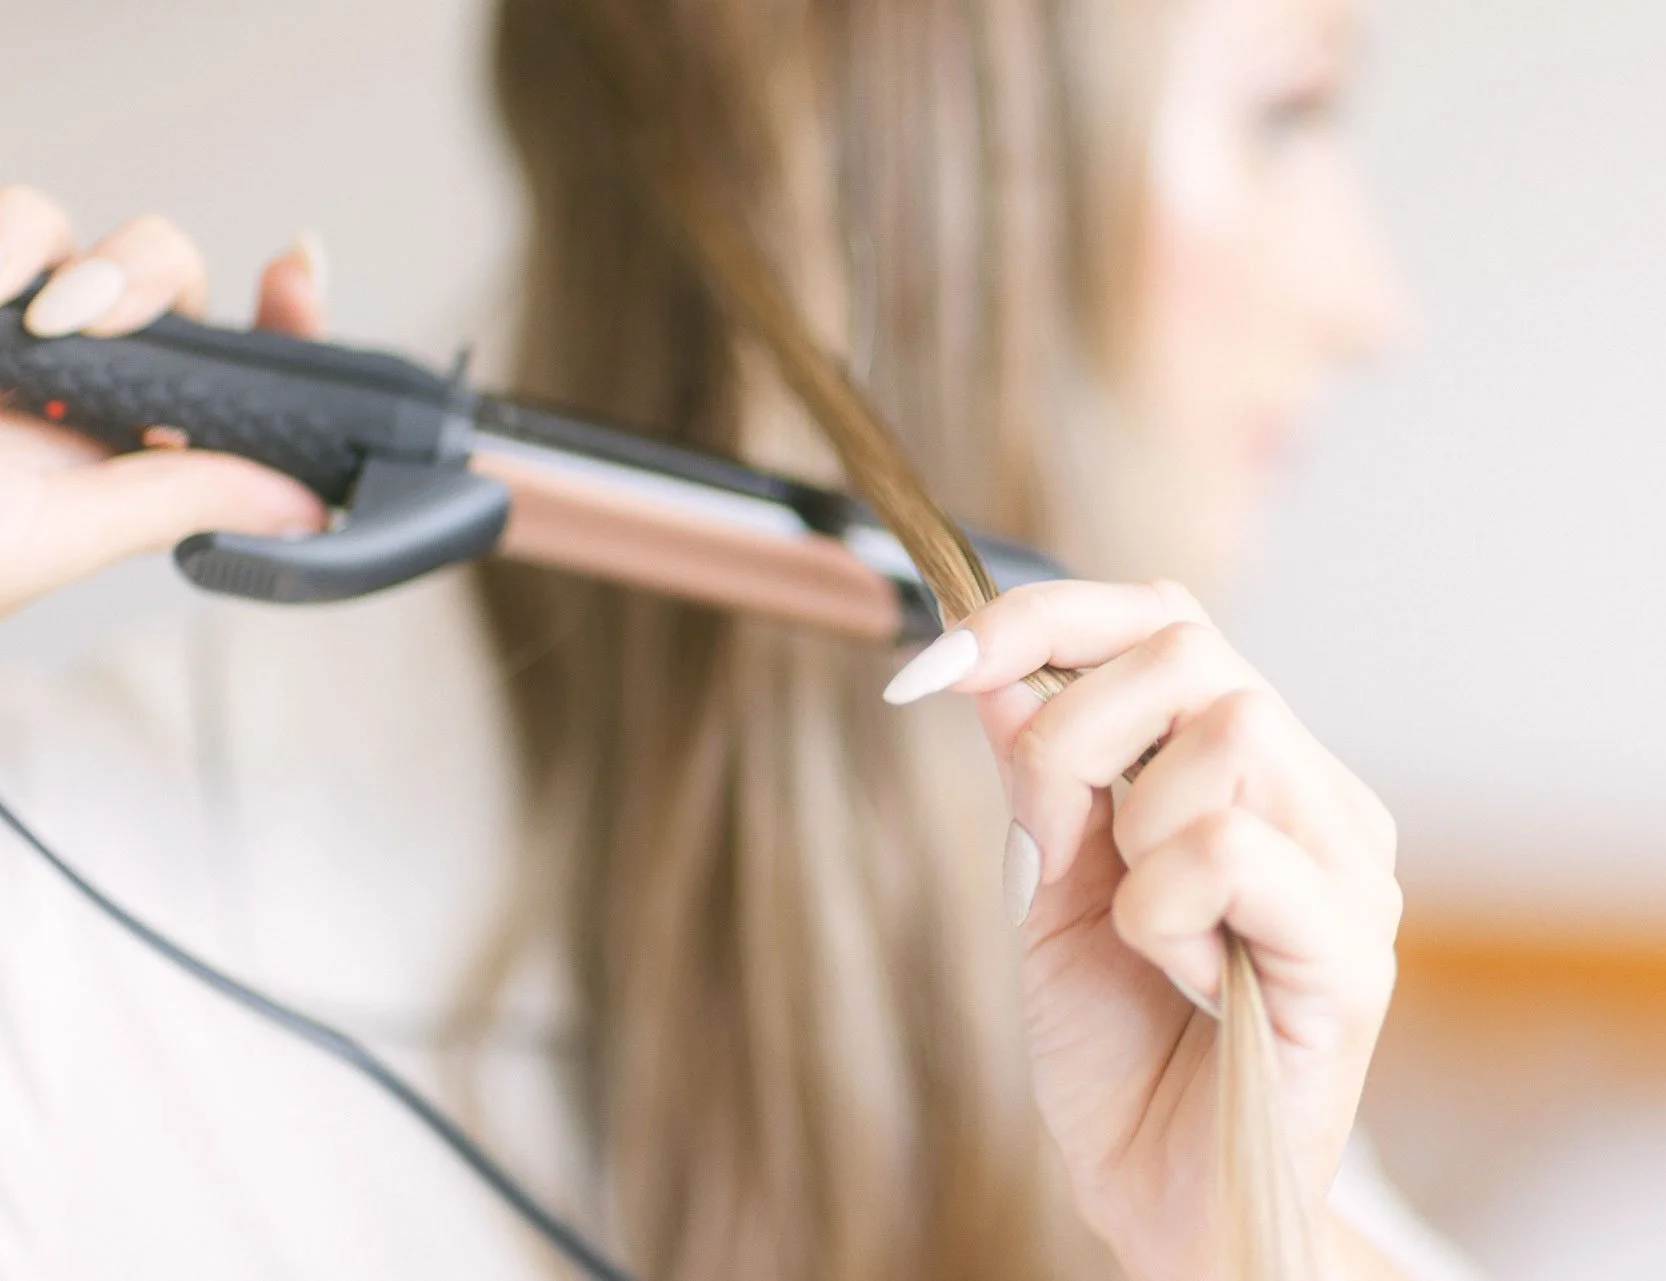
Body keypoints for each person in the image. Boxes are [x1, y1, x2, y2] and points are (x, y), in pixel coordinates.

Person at [0, 1, 1478, 1279]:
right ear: (921, 174)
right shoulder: (69, 916)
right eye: (1288, 114)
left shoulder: (1136, 928)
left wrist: (1243, 1242)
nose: (1377, 308)